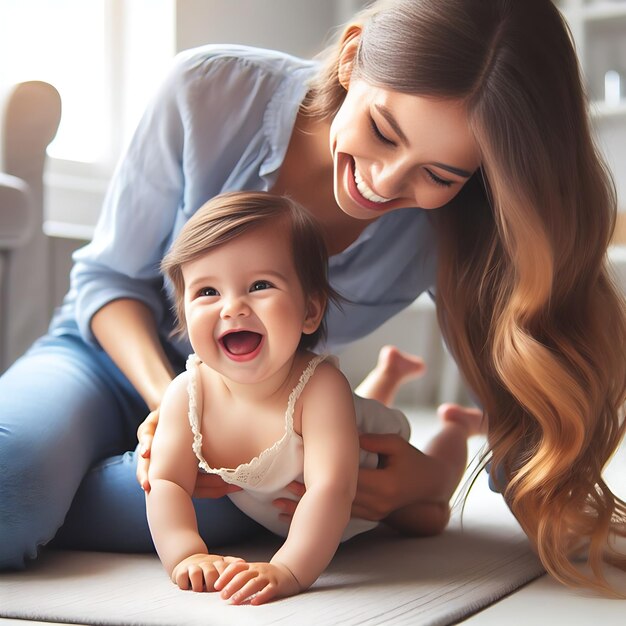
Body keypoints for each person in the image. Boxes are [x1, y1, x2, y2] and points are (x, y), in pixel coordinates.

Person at [0, 0, 624, 596]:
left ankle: (48, 483)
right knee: (12, 484)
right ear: (352, 58)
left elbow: (521, 420)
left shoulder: (458, 226)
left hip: (258, 419)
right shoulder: (209, 92)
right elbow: (107, 283)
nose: (384, 180)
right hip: (100, 358)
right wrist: (180, 410)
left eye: (437, 174)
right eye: (383, 130)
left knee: (263, 506)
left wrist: (430, 483)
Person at [147, 191, 478, 604]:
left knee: (427, 513)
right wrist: (185, 554)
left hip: (370, 462)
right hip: (327, 443)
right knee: (429, 521)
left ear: (309, 311)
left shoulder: (320, 388)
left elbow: (331, 490)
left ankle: (457, 428)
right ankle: (388, 374)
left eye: (260, 285)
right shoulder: (187, 393)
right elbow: (165, 481)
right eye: (207, 292)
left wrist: (289, 568)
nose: (232, 308)